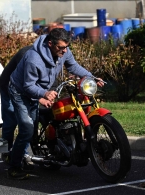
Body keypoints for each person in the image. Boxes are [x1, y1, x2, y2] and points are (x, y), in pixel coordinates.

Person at [7, 28, 104, 180]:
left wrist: (92, 77)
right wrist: (43, 94)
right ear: (50, 44)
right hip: (20, 91)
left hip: (39, 88)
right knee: (27, 129)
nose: (65, 51)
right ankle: (14, 166)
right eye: (61, 47)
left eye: (66, 47)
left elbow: (73, 66)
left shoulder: (64, 50)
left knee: (39, 123)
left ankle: (52, 145)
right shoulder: (34, 58)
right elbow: (28, 86)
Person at [0, 45, 34, 170]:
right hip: (9, 86)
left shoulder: (49, 56)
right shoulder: (25, 54)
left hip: (26, 90)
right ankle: (7, 151)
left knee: (27, 124)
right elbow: (24, 79)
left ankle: (21, 153)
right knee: (11, 121)